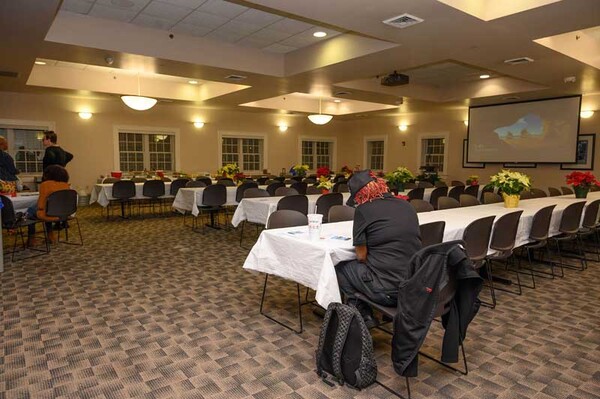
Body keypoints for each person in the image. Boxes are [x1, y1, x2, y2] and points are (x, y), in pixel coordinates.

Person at [335, 170, 422, 328]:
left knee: (339, 266)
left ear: (360, 195)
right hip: (413, 289)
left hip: (387, 292)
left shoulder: (363, 210)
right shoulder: (406, 205)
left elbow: (361, 256)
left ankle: (363, 312)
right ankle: (373, 312)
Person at [26, 165, 70, 246]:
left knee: (29, 212)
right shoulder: (66, 185)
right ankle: (51, 236)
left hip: (48, 213)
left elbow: (41, 204)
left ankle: (31, 239)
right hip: (62, 214)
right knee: (48, 209)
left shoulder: (45, 185)